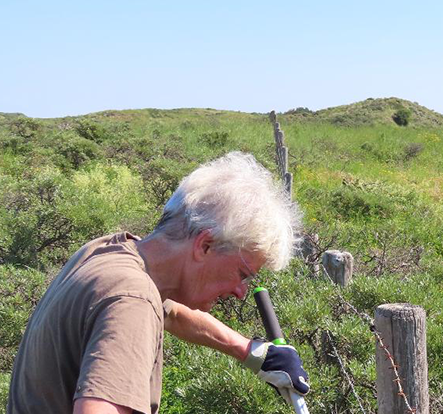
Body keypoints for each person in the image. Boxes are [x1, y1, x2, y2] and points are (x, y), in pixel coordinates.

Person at [6, 152, 309, 414]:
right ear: (205, 245)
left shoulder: (110, 253)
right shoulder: (133, 301)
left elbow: (171, 310)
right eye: (243, 274)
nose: (241, 291)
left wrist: (252, 352)